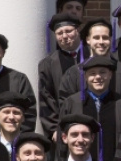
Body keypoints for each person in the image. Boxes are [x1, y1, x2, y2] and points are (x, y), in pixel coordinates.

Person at [59, 55, 121, 161]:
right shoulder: (71, 103)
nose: (98, 77)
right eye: (92, 73)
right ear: (85, 77)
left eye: (103, 72)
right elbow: (62, 142)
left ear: (110, 75)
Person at [58, 19, 121, 107]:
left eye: (105, 38)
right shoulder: (73, 73)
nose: (101, 42)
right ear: (88, 40)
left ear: (111, 40)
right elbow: (66, 107)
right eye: (96, 38)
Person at [39, 13, 83, 147]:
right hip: (63, 127)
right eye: (59, 33)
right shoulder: (48, 64)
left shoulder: (92, 55)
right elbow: (46, 97)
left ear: (77, 30)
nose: (64, 36)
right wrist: (54, 128)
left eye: (68, 31)